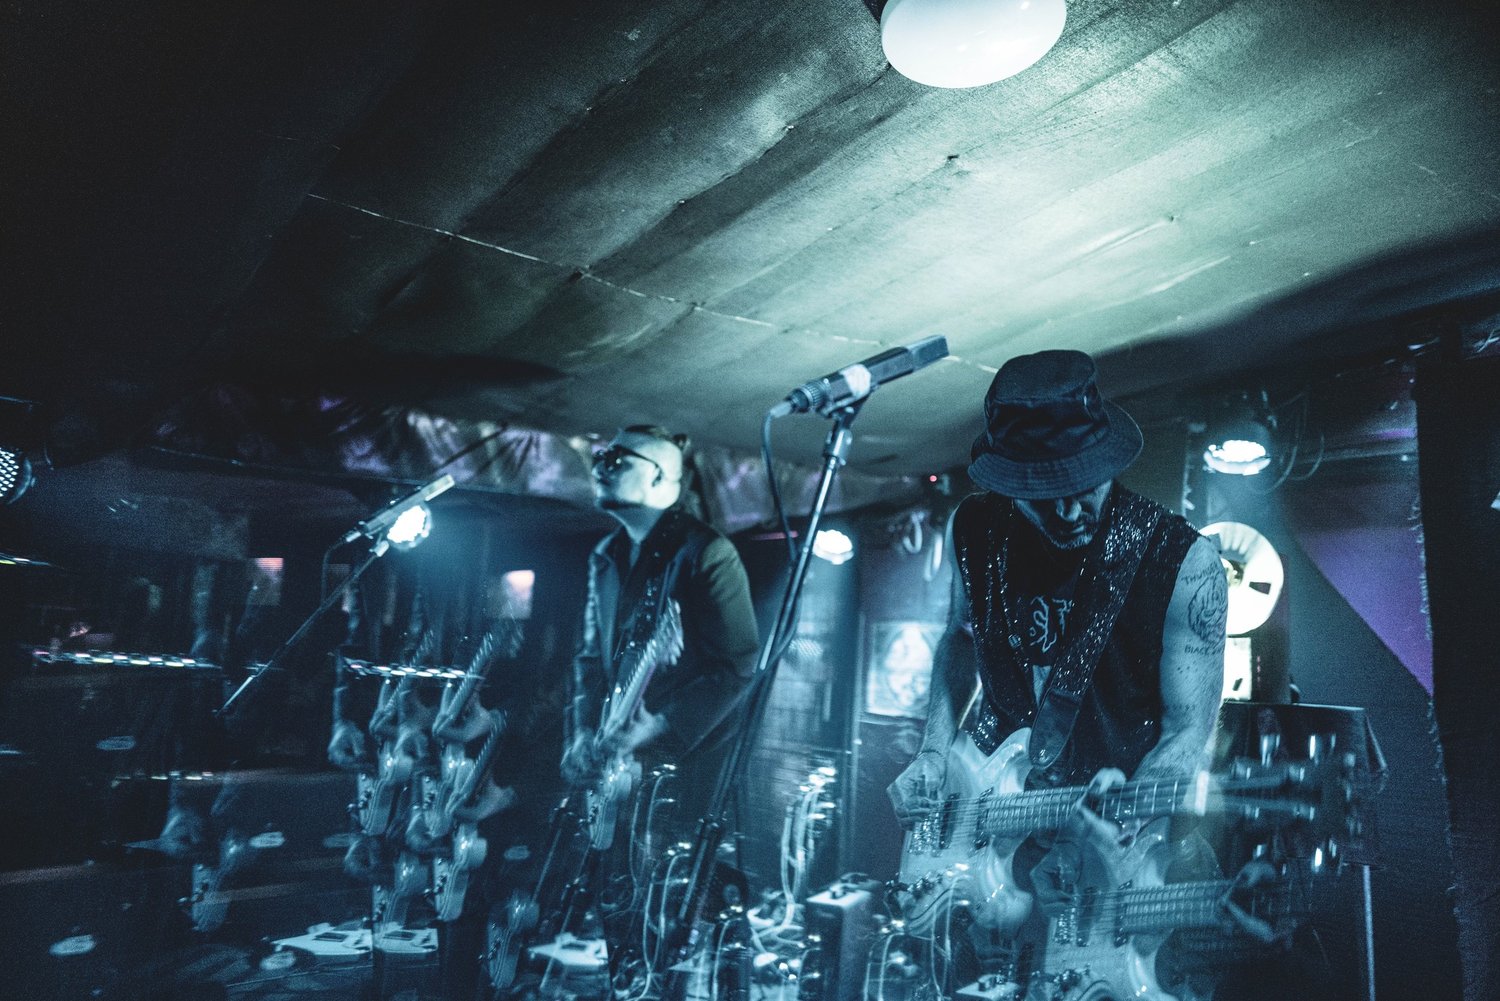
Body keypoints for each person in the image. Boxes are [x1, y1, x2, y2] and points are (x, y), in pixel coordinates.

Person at [887, 350, 1228, 916]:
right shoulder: (975, 528)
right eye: (1046, 493)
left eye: (1085, 484)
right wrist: (934, 753)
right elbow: (963, 638)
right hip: (989, 819)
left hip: (1114, 852)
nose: (1069, 511)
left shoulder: (1182, 562)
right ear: (1011, 483)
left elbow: (1187, 732)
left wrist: (1115, 827)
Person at [562, 425, 760, 979]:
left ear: (659, 477)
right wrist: (581, 734)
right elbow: (589, 661)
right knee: (618, 906)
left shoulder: (707, 552)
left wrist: (660, 726)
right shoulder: (605, 555)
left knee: (680, 916)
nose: (600, 465)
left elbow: (738, 664)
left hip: (687, 769)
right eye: (600, 455)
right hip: (619, 769)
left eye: (616, 458)